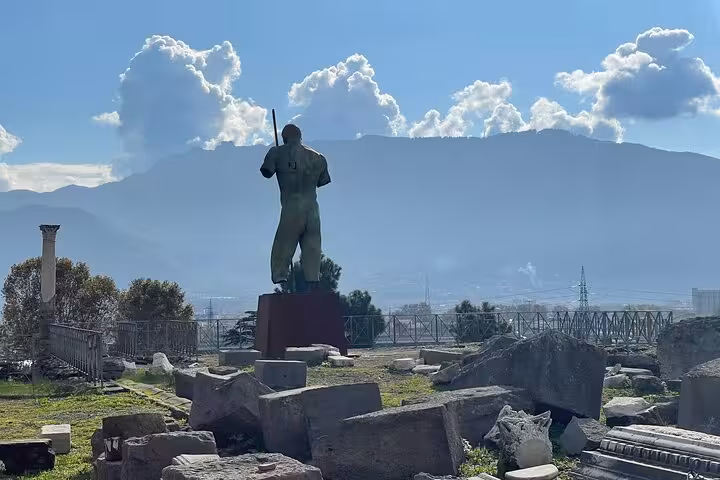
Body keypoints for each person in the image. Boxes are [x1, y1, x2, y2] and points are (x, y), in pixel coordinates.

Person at [260, 124, 331, 291]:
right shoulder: (318, 158)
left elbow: (266, 171)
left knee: (283, 244)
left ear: (284, 138)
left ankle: (280, 276)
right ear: (300, 137)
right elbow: (322, 181)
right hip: (312, 210)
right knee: (312, 247)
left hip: (292, 208)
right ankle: (313, 280)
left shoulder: (276, 153)